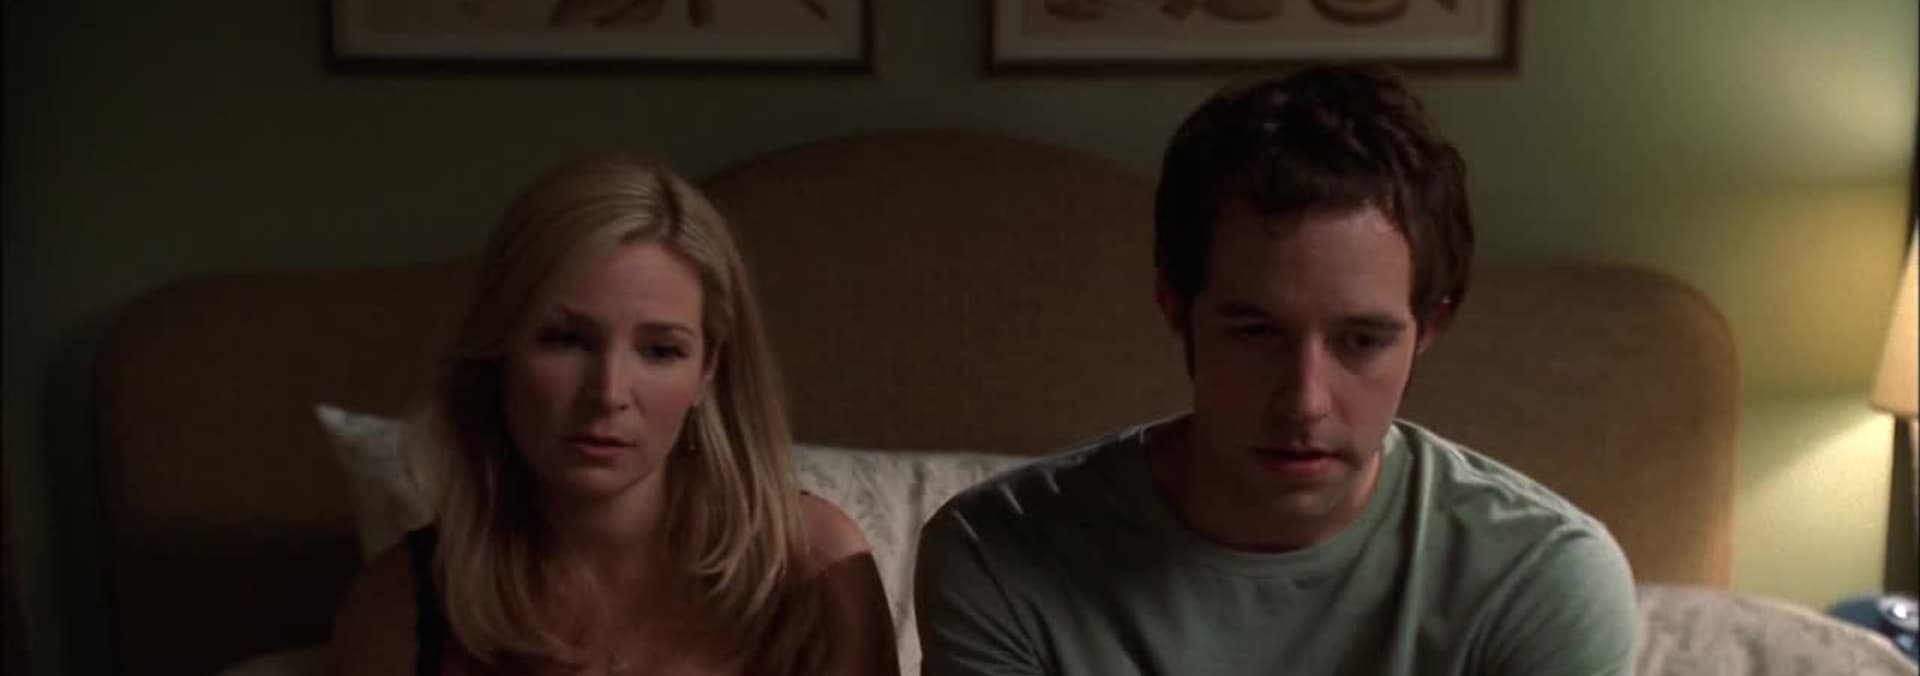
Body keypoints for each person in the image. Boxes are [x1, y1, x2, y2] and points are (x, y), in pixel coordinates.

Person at [914, 65, 1637, 676]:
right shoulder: (998, 556)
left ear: (1430, 330)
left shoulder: (1539, 577)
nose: (1304, 401)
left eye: (1361, 341)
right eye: (1256, 333)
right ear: (1176, 308)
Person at [332, 156, 900, 676]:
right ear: (499, 350)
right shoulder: (400, 609)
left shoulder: (816, 570)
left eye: (660, 351)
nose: (607, 394)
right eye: (566, 340)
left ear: (708, 369)